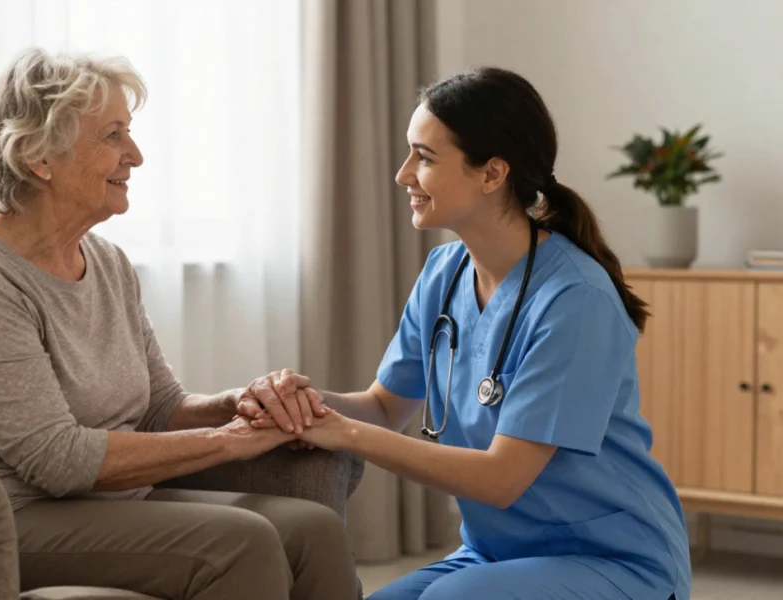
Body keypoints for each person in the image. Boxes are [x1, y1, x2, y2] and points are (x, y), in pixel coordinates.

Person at [0, 47, 358, 600]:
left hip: (106, 503)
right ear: (41, 156)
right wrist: (228, 441)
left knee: (313, 529)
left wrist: (245, 404)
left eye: (129, 132)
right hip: (4, 516)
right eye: (112, 135)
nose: (135, 155)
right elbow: (57, 459)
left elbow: (159, 408)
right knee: (239, 542)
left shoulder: (108, 261)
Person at [243, 67, 691, 599]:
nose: (403, 174)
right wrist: (303, 404)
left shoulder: (576, 299)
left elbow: (502, 479)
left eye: (425, 157)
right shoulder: (444, 273)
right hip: (495, 552)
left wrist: (343, 434)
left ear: (492, 174)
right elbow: (387, 406)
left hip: (612, 558)